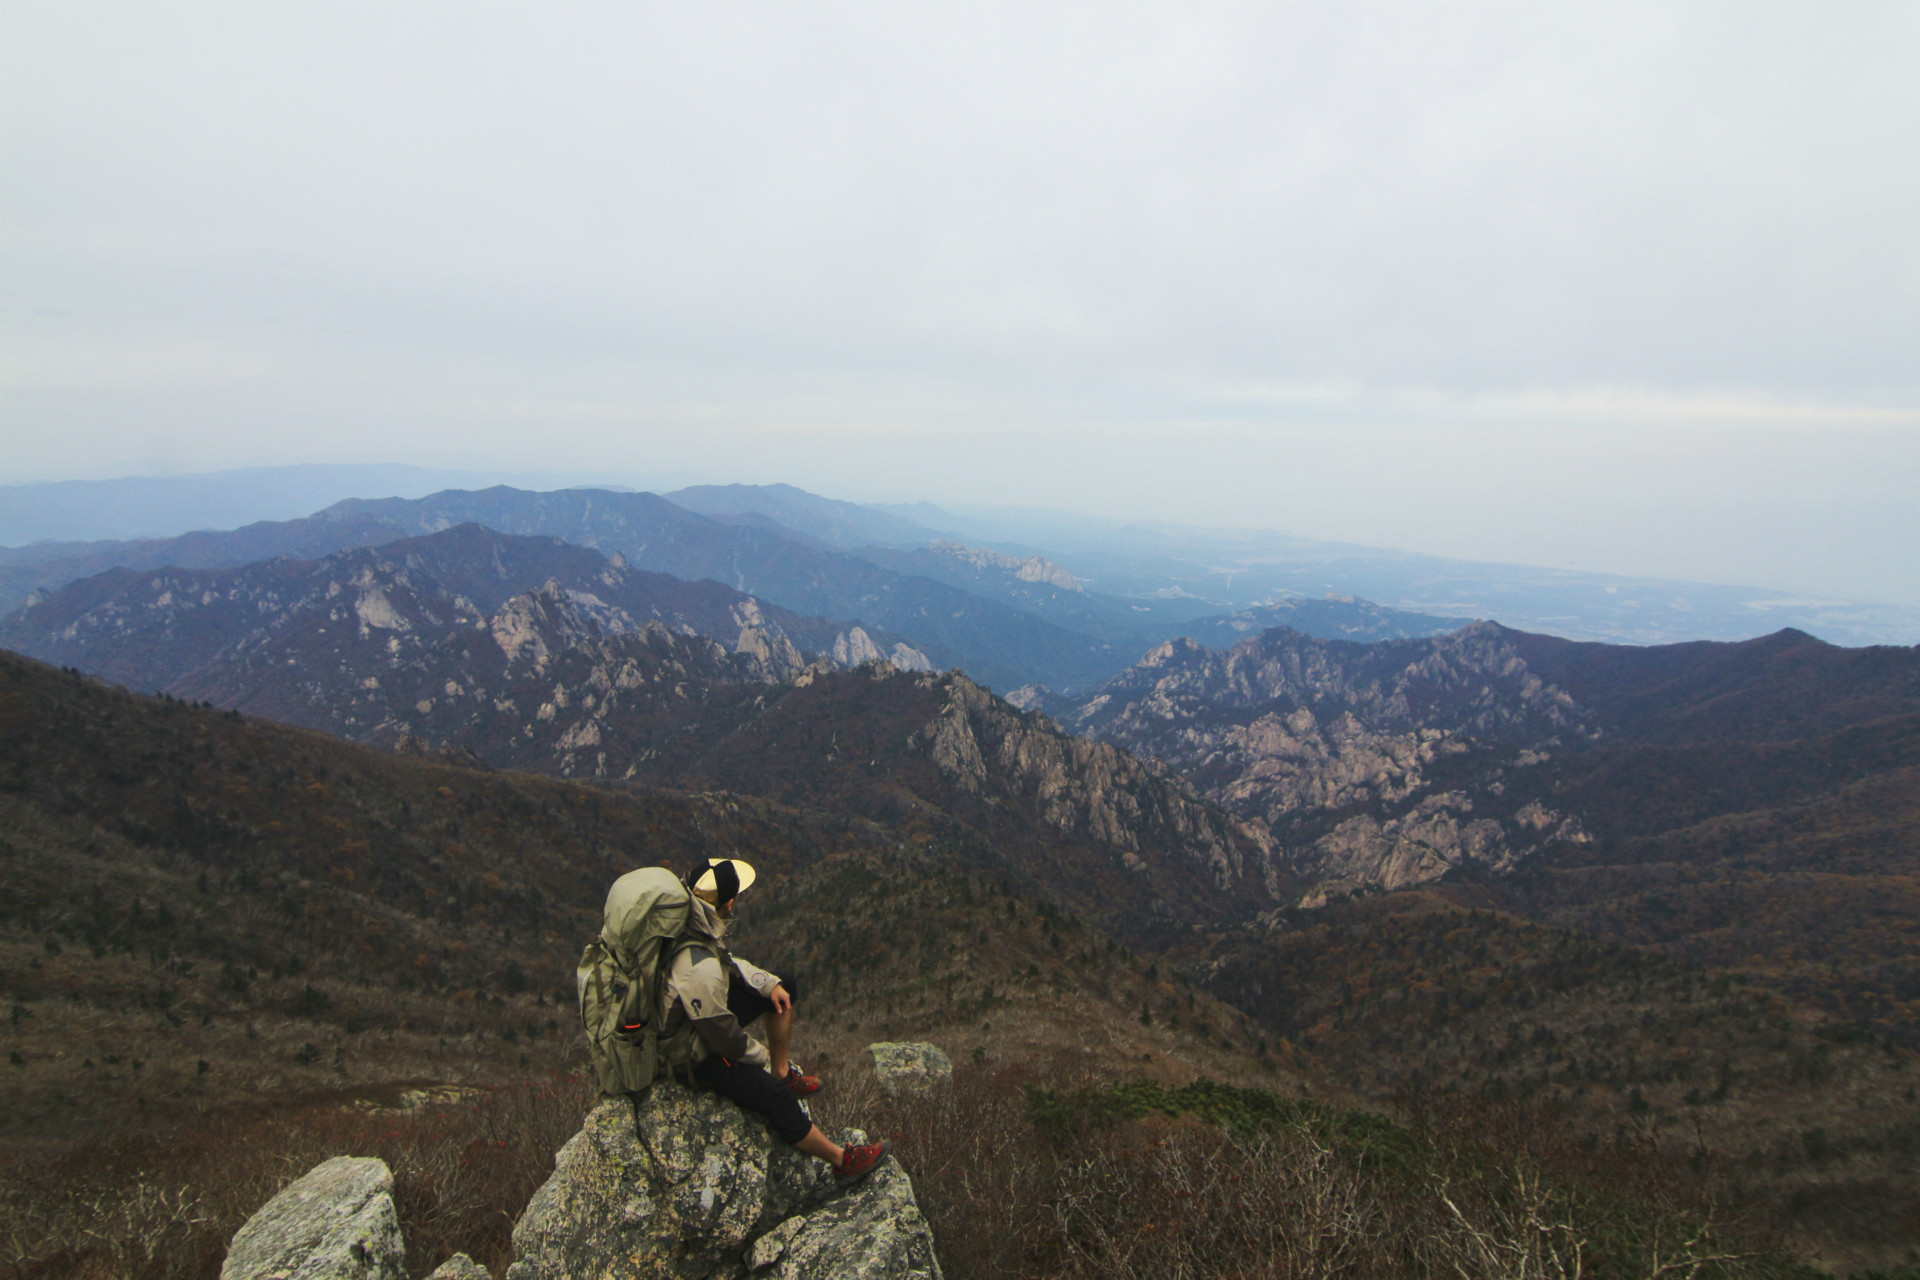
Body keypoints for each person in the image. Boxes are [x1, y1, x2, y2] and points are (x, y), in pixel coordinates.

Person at [664, 856, 889, 1182]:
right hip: (687, 1054)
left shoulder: (688, 920)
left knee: (784, 988)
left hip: (692, 1017)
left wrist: (768, 983)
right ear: (728, 904)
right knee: (774, 1097)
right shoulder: (698, 964)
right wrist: (762, 1058)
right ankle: (842, 1161)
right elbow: (720, 1036)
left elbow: (724, 963)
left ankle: (783, 1073)